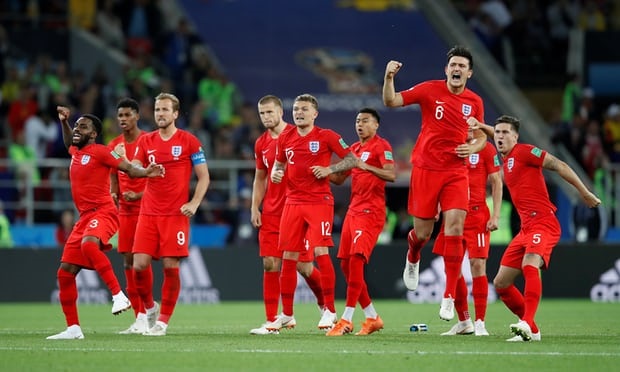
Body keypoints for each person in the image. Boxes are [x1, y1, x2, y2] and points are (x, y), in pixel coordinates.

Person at [470, 114, 601, 341]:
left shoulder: (525, 151)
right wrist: (482, 126)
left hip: (544, 222)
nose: (499, 137)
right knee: (501, 284)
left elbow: (558, 164)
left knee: (530, 263)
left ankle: (527, 323)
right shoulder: (507, 154)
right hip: (525, 229)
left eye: (505, 133)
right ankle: (534, 331)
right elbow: (499, 134)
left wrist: (585, 192)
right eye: (497, 133)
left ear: (516, 137)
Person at [382, 45, 487, 320]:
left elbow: (481, 136)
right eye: (453, 64)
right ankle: (413, 254)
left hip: (456, 171)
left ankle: (449, 296)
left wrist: (473, 148)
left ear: (470, 72)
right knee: (424, 234)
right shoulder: (429, 89)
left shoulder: (475, 101)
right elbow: (391, 102)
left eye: (462, 65)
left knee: (454, 227)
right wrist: (389, 78)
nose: (456, 69)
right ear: (446, 69)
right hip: (426, 170)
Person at [47, 106, 164, 340]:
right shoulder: (75, 152)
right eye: (77, 126)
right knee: (65, 273)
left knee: (89, 245)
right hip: (84, 218)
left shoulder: (101, 152)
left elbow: (129, 168)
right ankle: (73, 328)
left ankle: (118, 295)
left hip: (104, 212)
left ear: (93, 134)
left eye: (83, 126)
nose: (77, 130)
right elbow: (70, 139)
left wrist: (147, 172)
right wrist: (64, 122)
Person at [269, 93, 357, 331]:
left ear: (315, 113)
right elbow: (279, 165)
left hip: (319, 202)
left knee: (320, 251)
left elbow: (352, 160)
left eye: (304, 109)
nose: (299, 113)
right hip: (292, 202)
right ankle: (287, 314)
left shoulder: (326, 136)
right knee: (288, 256)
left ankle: (329, 311)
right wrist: (276, 174)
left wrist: (329, 169)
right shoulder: (285, 137)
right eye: (296, 109)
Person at [132, 92, 210, 336]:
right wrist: (145, 171)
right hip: (148, 213)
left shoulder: (190, 141)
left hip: (175, 215)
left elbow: (204, 176)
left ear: (175, 114)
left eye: (165, 110)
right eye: (157, 110)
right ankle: (149, 307)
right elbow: (133, 166)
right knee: (138, 266)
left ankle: (163, 322)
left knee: (170, 266)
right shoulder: (146, 141)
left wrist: (194, 203)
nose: (160, 114)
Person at [249, 95, 326, 335]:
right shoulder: (261, 143)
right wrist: (255, 206)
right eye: (262, 114)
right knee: (270, 263)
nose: (266, 117)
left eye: (270, 112)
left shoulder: (297, 135)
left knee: (304, 266)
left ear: (281, 112)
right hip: (272, 211)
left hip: (297, 208)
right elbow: (260, 177)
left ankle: (326, 305)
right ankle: (274, 320)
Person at [326, 107, 395, 336]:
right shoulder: (354, 149)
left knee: (356, 260)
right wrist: (322, 169)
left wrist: (366, 166)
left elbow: (391, 174)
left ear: (376, 125)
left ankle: (346, 319)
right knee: (346, 265)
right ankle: (373, 317)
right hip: (353, 211)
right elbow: (338, 179)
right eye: (357, 121)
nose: (360, 124)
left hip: (371, 212)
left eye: (365, 121)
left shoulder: (381, 146)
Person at [434, 140, 502, 336]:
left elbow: (497, 181)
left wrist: (495, 215)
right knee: (451, 268)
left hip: (476, 214)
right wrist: (437, 206)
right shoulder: (452, 144)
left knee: (477, 265)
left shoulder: (486, 148)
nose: (468, 125)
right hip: (453, 214)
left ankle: (480, 322)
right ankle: (464, 321)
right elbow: (441, 178)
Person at [107, 97, 150, 334]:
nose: (123, 120)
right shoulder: (114, 145)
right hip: (125, 212)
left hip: (147, 211)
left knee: (141, 264)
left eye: (127, 115)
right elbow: (113, 175)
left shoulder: (148, 141)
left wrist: (140, 195)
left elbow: (156, 178)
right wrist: (114, 193)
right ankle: (140, 317)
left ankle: (151, 310)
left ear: (137, 115)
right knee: (128, 262)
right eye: (120, 116)